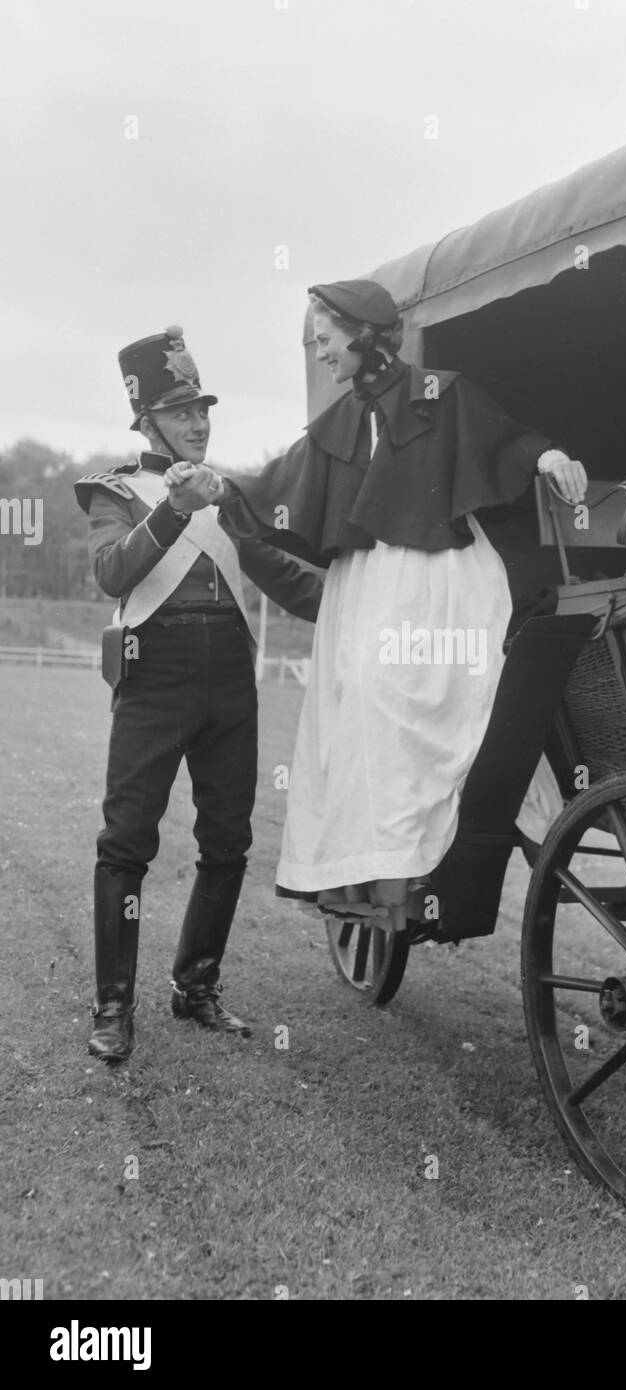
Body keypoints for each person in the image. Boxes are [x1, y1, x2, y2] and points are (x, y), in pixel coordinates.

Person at [165, 282, 586, 932]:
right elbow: (277, 482)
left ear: (362, 333)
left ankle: (484, 831)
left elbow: (503, 440)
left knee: (429, 701)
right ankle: (385, 881)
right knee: (361, 716)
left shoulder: (440, 396)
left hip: (441, 575)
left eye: (326, 339)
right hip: (364, 590)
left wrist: (550, 455)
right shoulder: (339, 423)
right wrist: (215, 485)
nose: (321, 352)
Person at [74, 326, 322, 1062]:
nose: (199, 423)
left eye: (203, 410)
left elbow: (279, 571)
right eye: (182, 413)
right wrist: (175, 508)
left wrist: (347, 600)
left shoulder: (225, 495)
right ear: (146, 420)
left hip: (228, 680)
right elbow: (114, 573)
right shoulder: (115, 491)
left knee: (229, 839)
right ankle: (114, 1004)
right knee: (126, 841)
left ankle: (197, 986)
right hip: (154, 674)